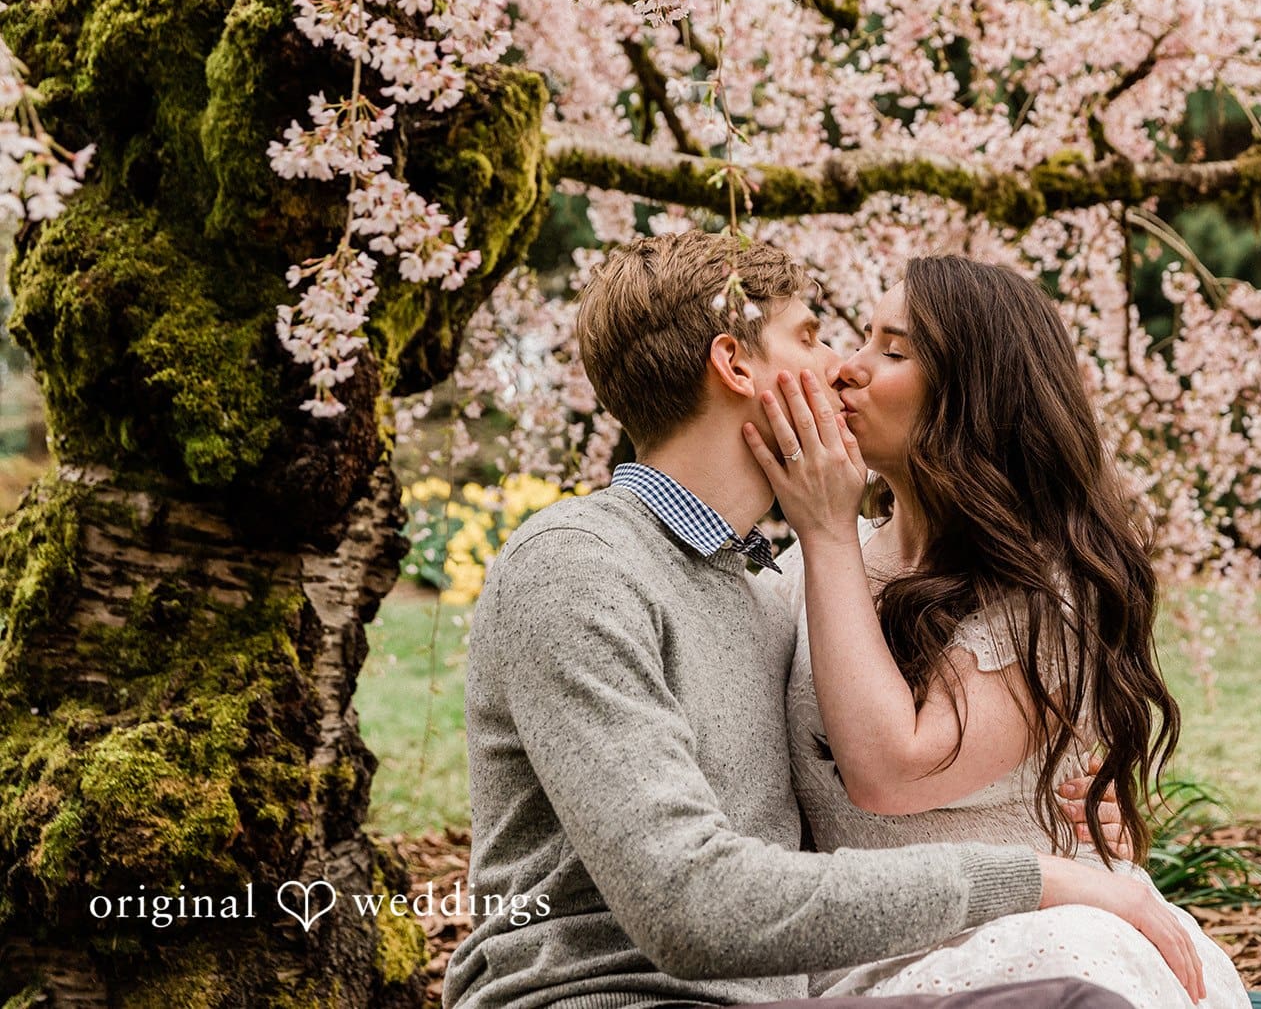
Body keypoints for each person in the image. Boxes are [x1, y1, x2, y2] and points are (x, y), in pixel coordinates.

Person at [442, 232, 1200, 1009]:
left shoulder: (760, 592)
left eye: (882, 347)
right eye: (812, 335)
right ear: (737, 364)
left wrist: (1064, 820)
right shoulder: (580, 566)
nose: (840, 364)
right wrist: (1038, 875)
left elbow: (810, 818)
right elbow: (692, 900)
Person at [744, 255, 1251, 1008]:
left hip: (1022, 934)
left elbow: (891, 773)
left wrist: (823, 531)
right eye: (859, 339)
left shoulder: (1048, 591)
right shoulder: (811, 566)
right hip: (854, 950)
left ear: (971, 394)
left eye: (892, 349)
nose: (846, 369)